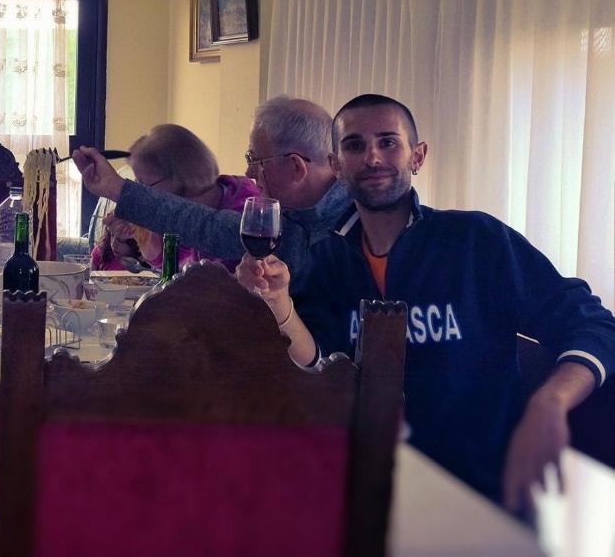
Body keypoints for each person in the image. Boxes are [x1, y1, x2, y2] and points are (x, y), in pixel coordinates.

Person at [237, 94, 615, 510]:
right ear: (338, 165)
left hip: (484, 494)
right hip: (369, 493)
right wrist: (279, 304)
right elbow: (319, 363)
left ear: (417, 156)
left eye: (388, 142)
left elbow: (592, 323)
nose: (373, 157)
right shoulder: (328, 259)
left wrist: (550, 400)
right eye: (355, 145)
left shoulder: (476, 241)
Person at [73, 97, 353, 282]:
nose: (248, 173)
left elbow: (205, 225)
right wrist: (117, 191)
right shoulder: (294, 218)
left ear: (296, 168)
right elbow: (205, 224)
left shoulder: (351, 230)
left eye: (255, 161)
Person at [89, 124, 260, 272]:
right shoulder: (176, 217)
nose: (142, 193)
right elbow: (167, 269)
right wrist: (142, 233)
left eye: (144, 185)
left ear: (182, 175)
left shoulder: (246, 207)